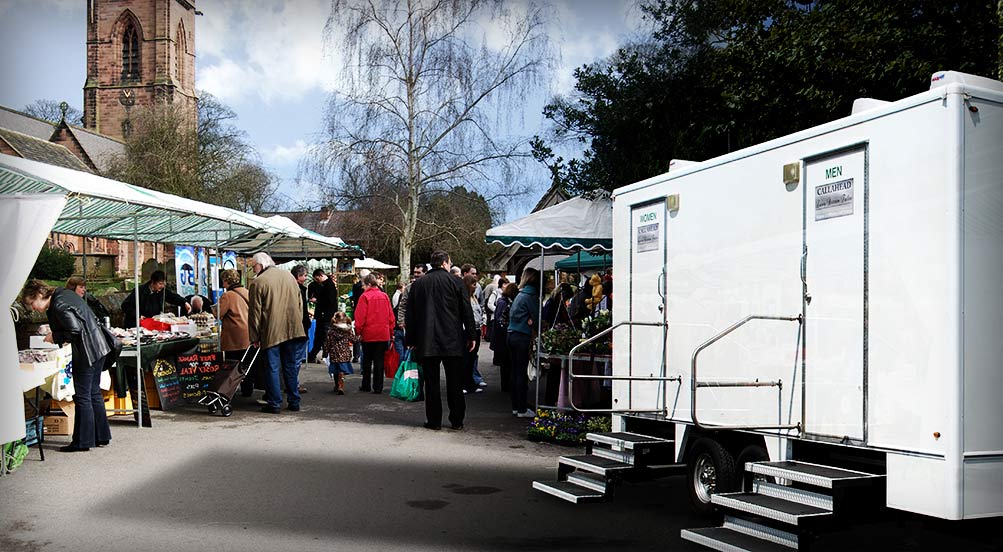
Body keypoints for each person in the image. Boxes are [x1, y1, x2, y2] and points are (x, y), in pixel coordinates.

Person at [22, 279, 112, 452]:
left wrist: (54, 336)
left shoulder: (58, 304)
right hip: (98, 347)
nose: (33, 308)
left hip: (87, 352)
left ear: (39, 295)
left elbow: (74, 330)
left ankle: (82, 441)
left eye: (32, 303)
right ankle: (101, 435)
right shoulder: (63, 294)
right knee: (93, 393)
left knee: (83, 396)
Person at [405, 250, 476, 431]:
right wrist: (471, 335)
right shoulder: (456, 282)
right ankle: (457, 420)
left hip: (427, 339)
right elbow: (466, 311)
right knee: (455, 382)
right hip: (452, 339)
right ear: (445, 263)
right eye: (450, 262)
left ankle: (434, 420)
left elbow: (410, 314)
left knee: (432, 382)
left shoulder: (418, 285)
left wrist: (411, 338)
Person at [247, 252, 307, 414]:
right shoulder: (289, 277)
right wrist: (296, 323)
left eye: (253, 266)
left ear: (260, 265)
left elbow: (254, 313)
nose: (253, 270)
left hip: (271, 332)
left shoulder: (258, 282)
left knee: (272, 368)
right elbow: (300, 304)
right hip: (293, 330)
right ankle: (294, 401)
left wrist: (254, 336)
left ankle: (274, 403)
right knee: (290, 366)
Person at [354, 273, 395, 394]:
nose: (362, 287)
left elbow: (360, 317)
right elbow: (390, 316)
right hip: (383, 333)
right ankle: (378, 386)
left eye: (363, 285)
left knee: (367, 360)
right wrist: (391, 331)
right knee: (379, 361)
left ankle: (366, 384)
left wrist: (358, 331)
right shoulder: (385, 296)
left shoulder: (364, 297)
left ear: (368, 284)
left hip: (368, 333)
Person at [508, 267, 540, 418]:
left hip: (512, 334)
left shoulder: (520, 295)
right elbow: (537, 318)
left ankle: (516, 406)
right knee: (521, 373)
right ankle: (521, 408)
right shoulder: (530, 296)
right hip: (522, 336)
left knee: (515, 372)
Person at [217, 269, 254, 397]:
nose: (223, 284)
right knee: (246, 364)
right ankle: (247, 390)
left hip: (234, 336)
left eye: (223, 281)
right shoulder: (247, 292)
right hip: (248, 334)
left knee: (232, 365)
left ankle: (229, 391)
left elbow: (218, 313)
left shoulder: (228, 296)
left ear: (227, 281)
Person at [121, 270, 190, 327]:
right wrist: (138, 315)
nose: (162, 286)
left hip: (152, 323)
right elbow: (125, 305)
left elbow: (172, 297)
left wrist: (184, 302)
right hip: (136, 324)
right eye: (160, 284)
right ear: (153, 282)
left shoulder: (161, 291)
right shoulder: (139, 291)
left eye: (164, 284)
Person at [490, 282, 518, 392]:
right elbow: (500, 319)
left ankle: (506, 385)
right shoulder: (503, 303)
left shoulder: (503, 301)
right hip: (502, 338)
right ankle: (505, 386)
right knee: (505, 363)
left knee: (505, 363)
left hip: (501, 337)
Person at [308, 268, 339, 363]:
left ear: (320, 276)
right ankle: (314, 355)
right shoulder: (327, 285)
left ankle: (324, 356)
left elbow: (329, 301)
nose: (317, 281)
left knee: (323, 337)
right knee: (320, 337)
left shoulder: (329, 285)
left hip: (326, 316)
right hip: (324, 316)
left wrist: (317, 300)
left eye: (317, 279)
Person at [462, 274, 486, 394]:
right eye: (473, 284)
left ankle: (470, 383)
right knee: (467, 358)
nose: (476, 286)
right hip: (467, 330)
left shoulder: (474, 297)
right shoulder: (464, 299)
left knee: (472, 358)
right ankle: (464, 383)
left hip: (476, 328)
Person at [324, 311, 356, 395]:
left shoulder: (331, 331)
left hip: (334, 353)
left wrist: (325, 352)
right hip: (344, 353)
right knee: (342, 370)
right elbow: (353, 340)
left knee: (335, 370)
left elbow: (327, 343)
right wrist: (360, 337)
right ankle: (341, 385)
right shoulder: (348, 330)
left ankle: (336, 385)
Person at [292, 265, 313, 394]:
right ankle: (294, 384)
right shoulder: (297, 290)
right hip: (299, 329)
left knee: (293, 359)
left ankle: (292, 383)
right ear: (298, 276)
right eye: (304, 275)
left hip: (298, 328)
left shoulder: (293, 288)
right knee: (296, 359)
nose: (305, 278)